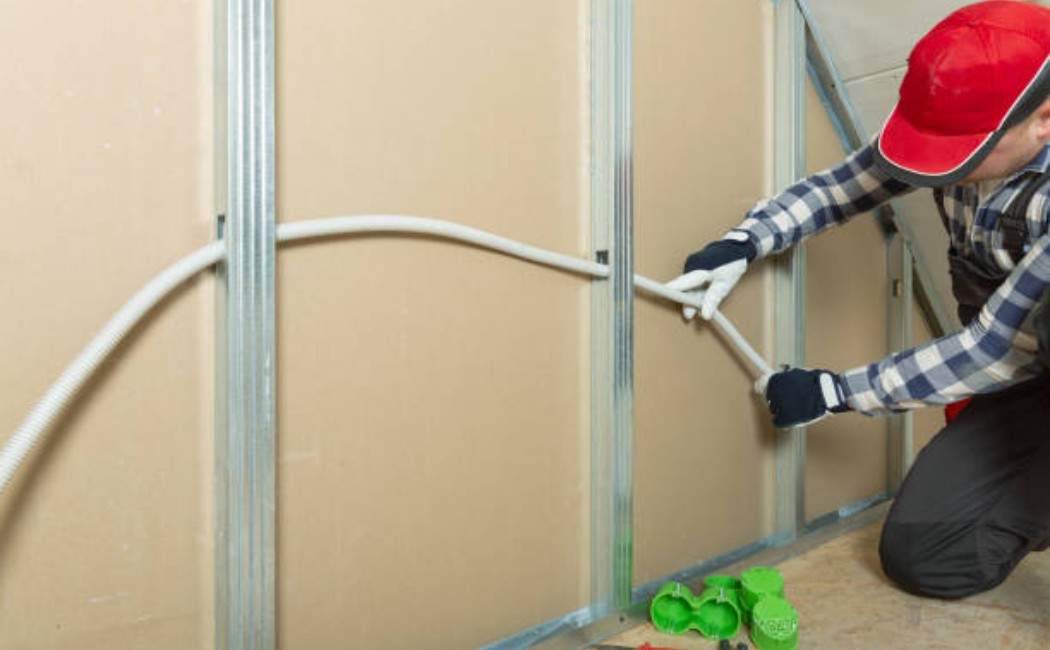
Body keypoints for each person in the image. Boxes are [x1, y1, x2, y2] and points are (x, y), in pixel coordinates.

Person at [667, 0, 1050, 599]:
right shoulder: (970, 115)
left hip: (1015, 351)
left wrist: (834, 393)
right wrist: (745, 241)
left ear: (1044, 119)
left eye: (962, 155)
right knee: (925, 556)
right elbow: (843, 187)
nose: (943, 170)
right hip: (1026, 375)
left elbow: (996, 348)